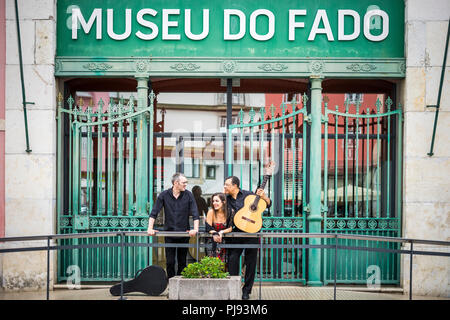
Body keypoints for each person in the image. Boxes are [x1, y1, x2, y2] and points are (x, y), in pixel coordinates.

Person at [223, 176, 271, 300]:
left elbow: (268, 205)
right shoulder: (225, 199)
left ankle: (246, 291)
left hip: (252, 232)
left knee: (251, 263)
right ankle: (234, 288)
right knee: (232, 260)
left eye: (227, 185)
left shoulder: (249, 195)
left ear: (235, 186)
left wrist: (264, 197)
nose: (225, 187)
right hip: (235, 233)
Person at [147, 173, 199, 278]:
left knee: (182, 262)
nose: (186, 184)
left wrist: (195, 229)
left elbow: (195, 213)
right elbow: (154, 212)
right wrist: (150, 228)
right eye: (184, 182)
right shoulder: (164, 195)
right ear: (176, 183)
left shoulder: (188, 195)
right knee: (170, 262)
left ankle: (180, 286)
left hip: (184, 234)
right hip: (169, 234)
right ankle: (171, 284)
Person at [204, 193, 233, 266]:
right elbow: (208, 227)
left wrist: (221, 232)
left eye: (217, 201)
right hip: (212, 241)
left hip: (224, 241)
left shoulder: (230, 212)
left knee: (224, 265)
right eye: (213, 201)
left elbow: (230, 228)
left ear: (223, 202)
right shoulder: (211, 212)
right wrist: (215, 233)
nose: (214, 203)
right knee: (211, 264)